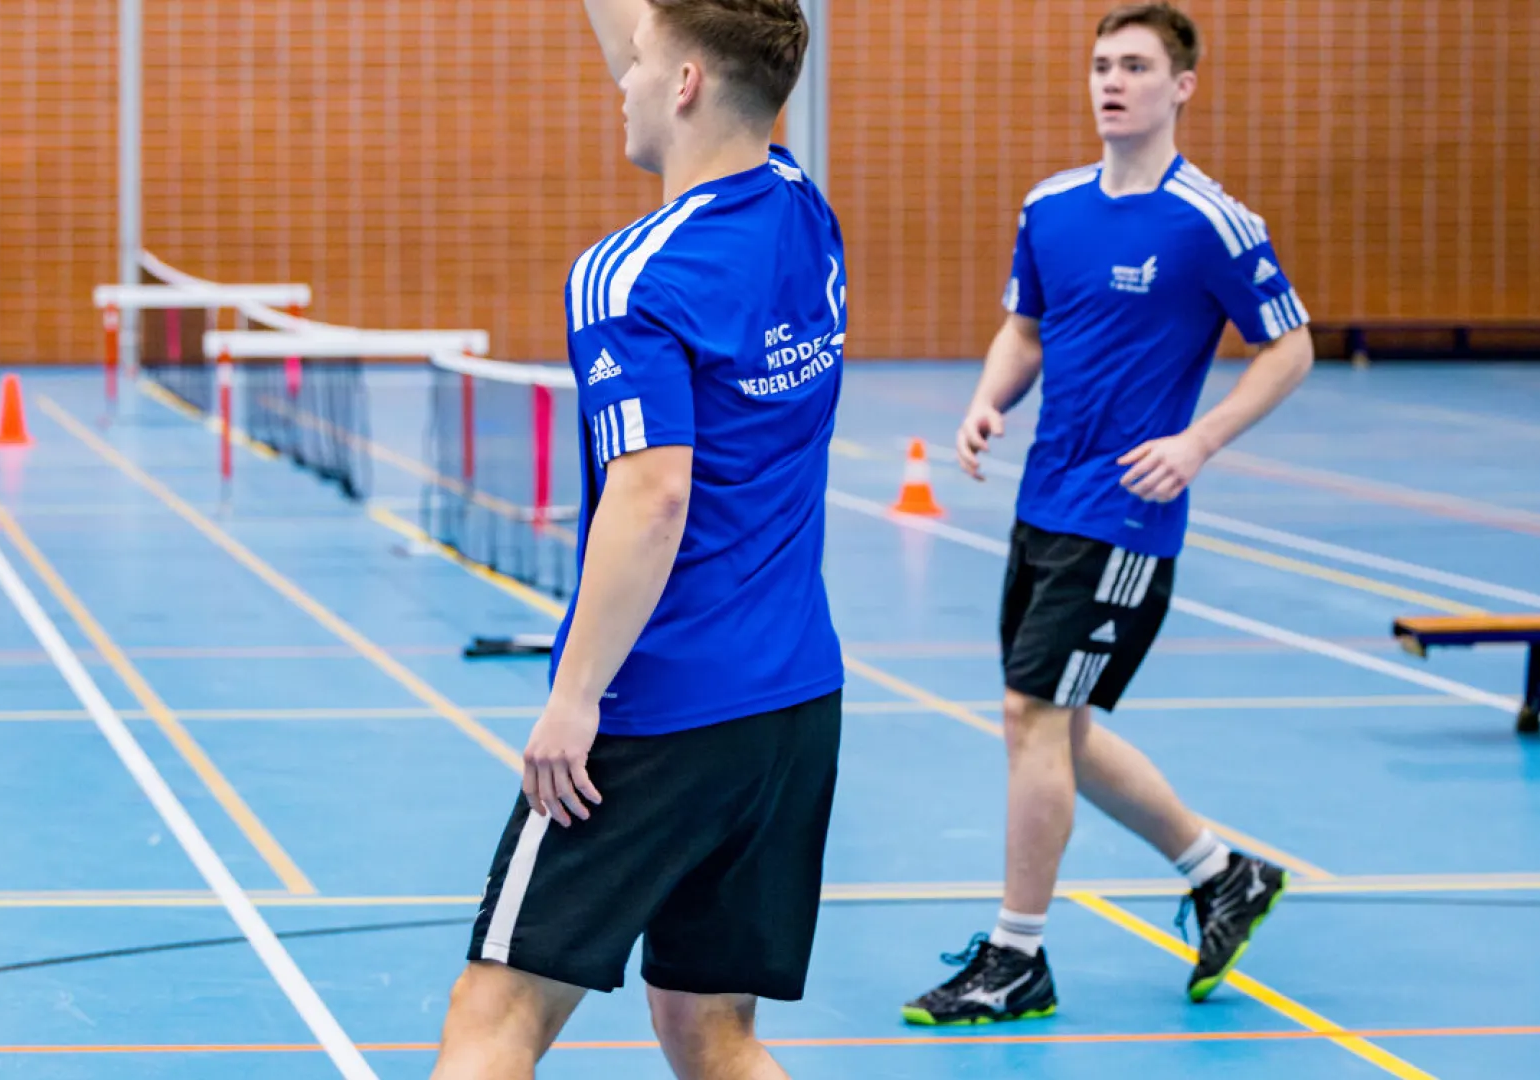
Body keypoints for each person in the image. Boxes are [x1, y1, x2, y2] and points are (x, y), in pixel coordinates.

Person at [430, 1, 846, 1076]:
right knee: (707, 1028)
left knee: (494, 1017)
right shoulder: (803, 210)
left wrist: (573, 700)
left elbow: (654, 497)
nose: (619, 76)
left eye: (641, 64)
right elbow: (677, 39)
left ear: (690, 84)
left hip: (658, 710)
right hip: (792, 704)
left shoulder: (628, 277)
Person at [902, 1, 1316, 1027]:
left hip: (1126, 516)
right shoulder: (1051, 207)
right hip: (1045, 501)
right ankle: (1222, 874)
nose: (1112, 81)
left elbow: (1291, 346)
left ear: (1181, 87)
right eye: (1100, 65)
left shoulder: (1212, 222)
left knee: (1030, 719)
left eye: (1135, 66)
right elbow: (1026, 325)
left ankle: (1016, 956)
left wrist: (1199, 442)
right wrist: (988, 399)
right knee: (1062, 728)